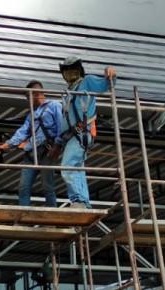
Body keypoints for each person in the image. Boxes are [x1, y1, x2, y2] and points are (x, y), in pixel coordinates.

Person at [57, 57, 116, 209]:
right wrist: (59, 141)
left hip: (81, 133)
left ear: (79, 70)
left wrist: (109, 72)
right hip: (70, 136)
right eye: (66, 70)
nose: (70, 73)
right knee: (77, 169)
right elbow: (65, 119)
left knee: (67, 166)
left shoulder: (86, 82)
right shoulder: (67, 94)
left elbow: (106, 84)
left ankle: (78, 200)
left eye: (73, 69)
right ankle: (84, 203)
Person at [0, 80, 62, 207]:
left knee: (48, 187)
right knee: (23, 187)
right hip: (31, 153)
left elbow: (61, 128)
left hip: (47, 152)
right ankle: (24, 214)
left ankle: (54, 219)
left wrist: (57, 147)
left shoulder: (54, 106)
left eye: (28, 97)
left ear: (35, 94)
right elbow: (22, 133)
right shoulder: (31, 115)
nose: (27, 100)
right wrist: (5, 146)